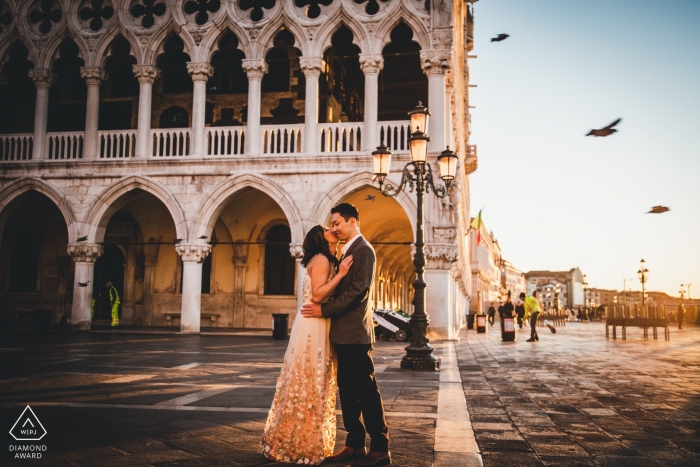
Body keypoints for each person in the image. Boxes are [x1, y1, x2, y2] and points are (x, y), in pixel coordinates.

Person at [301, 203, 391, 467]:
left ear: (353, 222)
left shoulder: (364, 251)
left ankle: (380, 446)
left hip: (355, 333)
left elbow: (358, 292)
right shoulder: (346, 252)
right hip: (341, 332)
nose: (335, 228)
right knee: (348, 391)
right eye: (333, 224)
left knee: (366, 390)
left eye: (338, 223)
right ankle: (354, 444)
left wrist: (323, 309)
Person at [262, 224, 354, 464]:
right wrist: (342, 275)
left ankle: (298, 439)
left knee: (311, 380)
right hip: (314, 322)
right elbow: (316, 295)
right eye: (326, 228)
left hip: (316, 321)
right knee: (311, 380)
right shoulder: (322, 259)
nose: (331, 228)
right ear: (319, 238)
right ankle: (302, 443)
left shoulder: (326, 258)